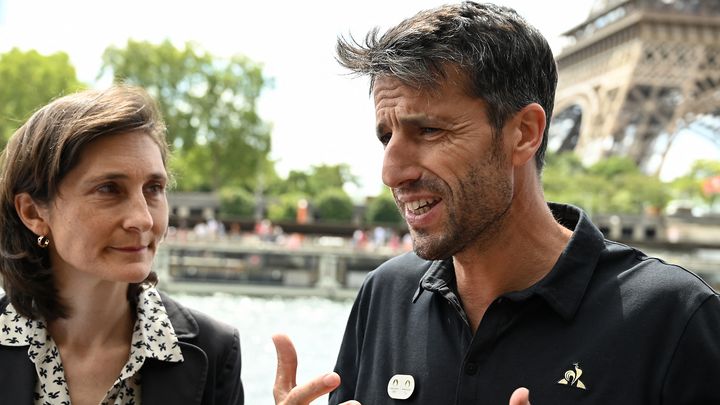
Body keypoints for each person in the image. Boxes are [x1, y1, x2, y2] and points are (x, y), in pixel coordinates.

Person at [273, 2, 720, 404]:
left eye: (429, 131)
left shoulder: (674, 318)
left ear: (524, 133)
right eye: (387, 137)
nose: (391, 173)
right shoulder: (384, 294)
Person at [0, 85, 243, 404]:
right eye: (109, 189)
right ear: (33, 212)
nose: (142, 219)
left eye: (154, 188)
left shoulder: (215, 350)